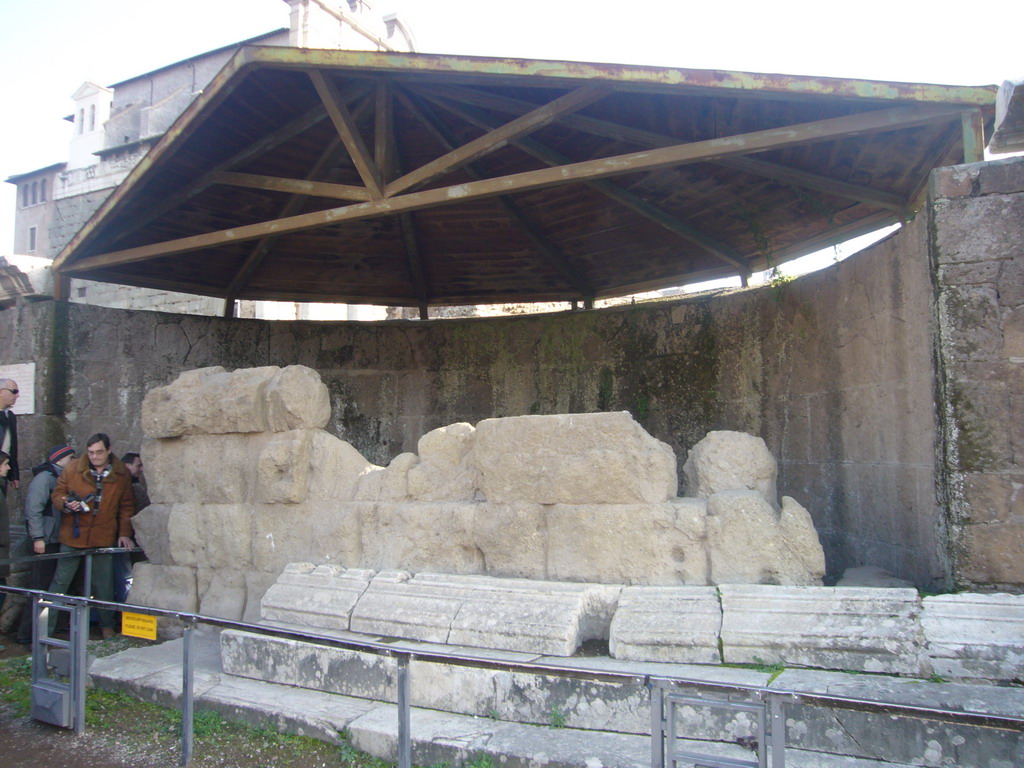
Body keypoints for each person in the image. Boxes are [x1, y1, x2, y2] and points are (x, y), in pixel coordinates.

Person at [48, 433, 135, 638]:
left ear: (109, 450)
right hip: (74, 533)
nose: (95, 456)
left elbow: (126, 506)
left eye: (99, 452)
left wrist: (124, 533)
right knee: (61, 582)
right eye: (91, 452)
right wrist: (66, 504)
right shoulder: (73, 468)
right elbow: (57, 494)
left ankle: (106, 627)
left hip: (103, 534)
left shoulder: (120, 473)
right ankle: (46, 629)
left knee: (104, 584)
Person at [16, 445, 76, 644]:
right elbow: (34, 509)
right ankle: (27, 634)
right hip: (46, 541)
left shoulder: (58, 477)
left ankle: (45, 630)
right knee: (39, 587)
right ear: (61, 459)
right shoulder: (44, 479)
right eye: (71, 458)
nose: (74, 461)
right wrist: (38, 538)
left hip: (54, 539)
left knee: (49, 587)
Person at [112, 452, 150, 603]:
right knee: (125, 578)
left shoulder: (133, 486)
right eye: (138, 465)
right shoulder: (124, 486)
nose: (141, 469)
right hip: (123, 540)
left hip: (132, 539)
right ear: (127, 466)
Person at [0, 380, 20, 590]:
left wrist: (14, 472)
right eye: (13, 391)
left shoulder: (10, 417)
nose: (17, 395)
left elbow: (13, 447)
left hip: (3, 470)